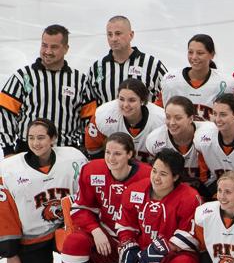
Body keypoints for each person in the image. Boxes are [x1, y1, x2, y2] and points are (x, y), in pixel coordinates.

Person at [61, 132, 151, 263]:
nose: (111, 158)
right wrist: (95, 231)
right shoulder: (92, 170)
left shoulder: (147, 176)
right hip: (104, 239)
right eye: (108, 152)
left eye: (117, 153)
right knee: (73, 243)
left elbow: (153, 217)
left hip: (134, 244)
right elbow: (79, 209)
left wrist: (134, 246)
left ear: (130, 154)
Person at [0, 119, 87, 263]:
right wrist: (11, 254)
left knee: (83, 251)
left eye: (41, 138)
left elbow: (87, 197)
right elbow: (6, 214)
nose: (35, 143)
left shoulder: (73, 159)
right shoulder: (9, 170)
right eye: (31, 138)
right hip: (31, 237)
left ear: (53, 138)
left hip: (66, 229)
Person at [0, 24, 95, 155]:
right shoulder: (22, 77)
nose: (48, 51)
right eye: (44, 45)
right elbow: (5, 115)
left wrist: (85, 149)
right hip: (28, 152)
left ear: (66, 49)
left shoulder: (80, 81)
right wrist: (8, 150)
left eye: (54, 47)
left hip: (65, 152)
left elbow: (89, 120)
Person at [87, 15, 168, 106]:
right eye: (110, 34)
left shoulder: (152, 64)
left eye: (118, 33)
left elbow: (169, 93)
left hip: (145, 120)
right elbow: (88, 103)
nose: (113, 39)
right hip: (108, 120)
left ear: (131, 35)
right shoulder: (97, 67)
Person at [156, 34, 234, 120]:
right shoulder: (171, 80)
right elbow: (159, 113)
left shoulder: (224, 83)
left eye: (200, 53)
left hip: (211, 133)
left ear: (212, 55)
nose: (194, 57)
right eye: (190, 52)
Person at [84, 78, 165, 160]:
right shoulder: (104, 115)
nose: (125, 105)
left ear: (142, 101)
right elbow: (93, 148)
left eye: (132, 100)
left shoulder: (160, 120)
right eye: (121, 99)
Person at [144, 96, 202, 193]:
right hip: (170, 191)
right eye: (168, 117)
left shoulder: (206, 136)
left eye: (178, 118)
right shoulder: (155, 139)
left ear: (191, 118)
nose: (172, 122)